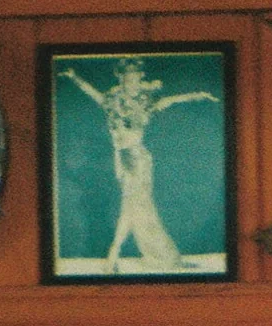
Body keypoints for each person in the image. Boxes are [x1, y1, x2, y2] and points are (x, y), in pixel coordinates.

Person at [64, 59, 218, 272]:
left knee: (131, 207)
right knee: (137, 208)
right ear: (122, 80)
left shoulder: (145, 102)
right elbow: (94, 94)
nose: (133, 83)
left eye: (136, 79)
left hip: (137, 159)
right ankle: (154, 256)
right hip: (122, 157)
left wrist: (196, 95)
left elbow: (169, 101)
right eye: (129, 79)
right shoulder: (113, 101)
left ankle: (113, 257)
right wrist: (75, 78)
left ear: (140, 80)